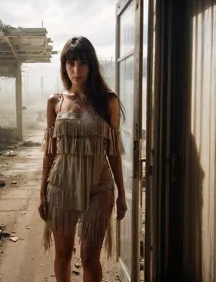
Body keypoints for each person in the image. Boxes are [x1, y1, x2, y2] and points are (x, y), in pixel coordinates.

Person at [38, 36, 128, 282]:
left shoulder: (107, 100)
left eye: (83, 63)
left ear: (92, 65)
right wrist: (42, 191)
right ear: (64, 65)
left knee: (89, 258)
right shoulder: (55, 102)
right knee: (63, 254)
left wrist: (121, 193)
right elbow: (50, 151)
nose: (76, 70)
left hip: (99, 187)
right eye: (71, 63)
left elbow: (113, 152)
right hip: (61, 185)